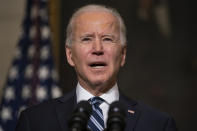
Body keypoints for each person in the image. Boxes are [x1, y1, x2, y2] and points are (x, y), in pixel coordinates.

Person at [15, 4, 177, 131]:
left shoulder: (158, 124)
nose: (98, 48)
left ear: (123, 55)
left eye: (107, 39)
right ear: (70, 55)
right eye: (86, 39)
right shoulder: (35, 122)